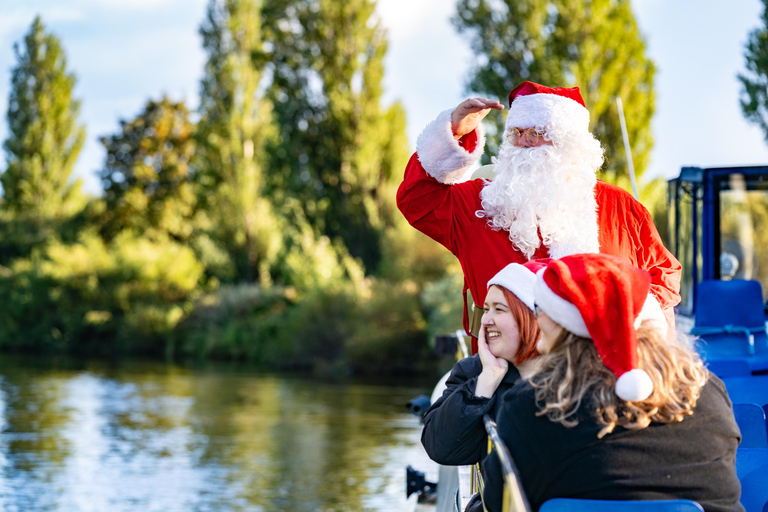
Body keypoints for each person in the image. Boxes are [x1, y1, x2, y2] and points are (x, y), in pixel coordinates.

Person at [396, 82, 681, 352]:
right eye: (516, 134)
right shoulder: (478, 203)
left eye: (535, 133)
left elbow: (665, 274)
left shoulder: (620, 207)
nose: (523, 144)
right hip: (501, 378)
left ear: (567, 143)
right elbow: (416, 200)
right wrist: (454, 133)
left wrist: (625, 319)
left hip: (598, 374)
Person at [481, 254, 743, 512]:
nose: (536, 319)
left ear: (562, 323)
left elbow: (496, 501)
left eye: (539, 308)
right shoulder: (706, 391)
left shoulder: (533, 405)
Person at [421, 259, 549, 512]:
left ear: (533, 318)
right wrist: (487, 381)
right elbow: (439, 447)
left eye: (499, 310)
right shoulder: (474, 372)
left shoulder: (575, 377)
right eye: (485, 309)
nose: (485, 320)